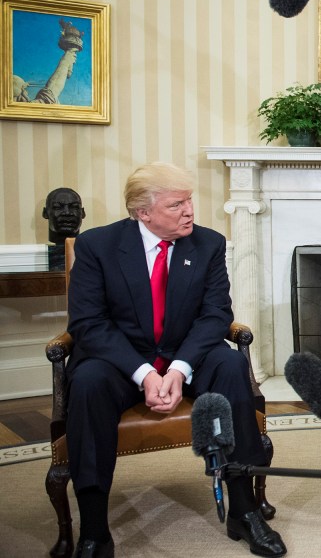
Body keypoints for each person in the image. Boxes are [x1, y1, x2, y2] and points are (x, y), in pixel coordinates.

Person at [65, 163, 285, 558]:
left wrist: (180, 369)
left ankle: (244, 510)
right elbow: (89, 323)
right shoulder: (97, 245)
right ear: (142, 212)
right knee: (87, 381)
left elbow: (216, 314)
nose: (189, 211)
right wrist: (145, 372)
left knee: (232, 365)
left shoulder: (208, 243)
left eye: (189, 201)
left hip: (188, 353)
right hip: (121, 361)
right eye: (176, 204)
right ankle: (95, 530)